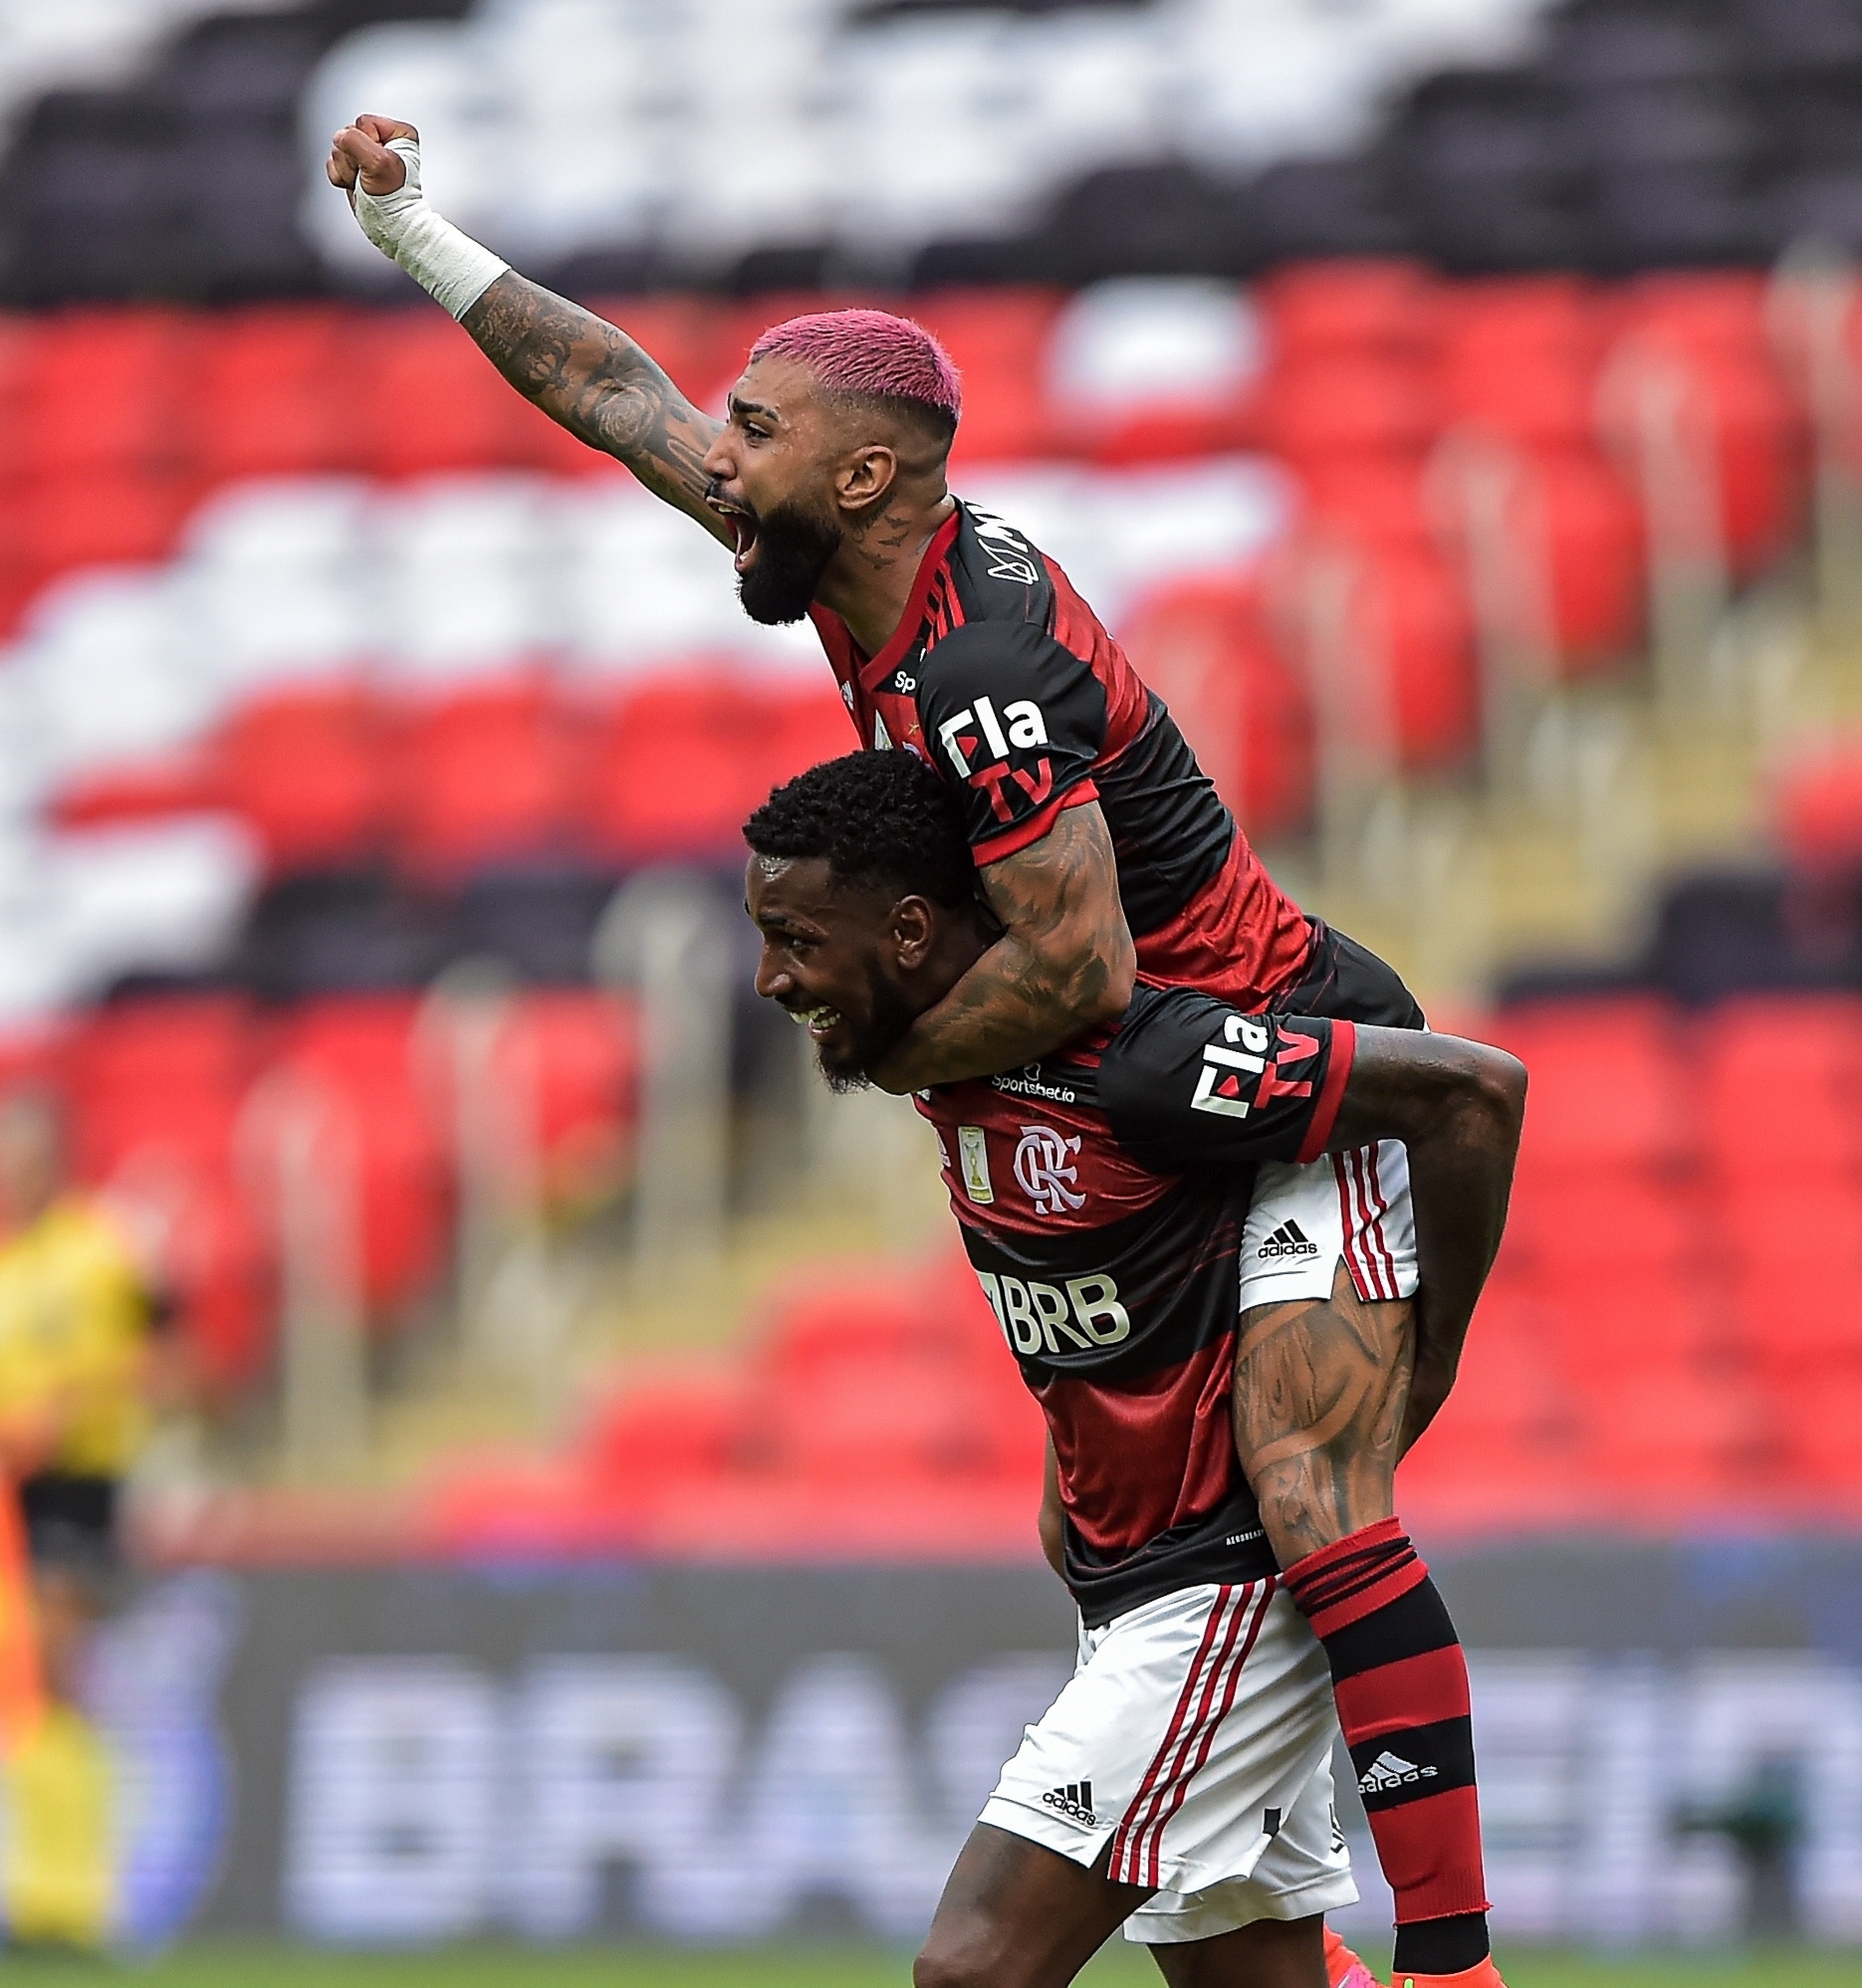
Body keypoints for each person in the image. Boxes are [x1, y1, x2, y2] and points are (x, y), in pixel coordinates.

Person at [327, 117, 1500, 1980]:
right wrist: (413, 234)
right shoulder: (861, 563)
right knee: (1111, 1548)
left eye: (758, 430)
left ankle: (1459, 1964)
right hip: (1166, 1083)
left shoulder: (982, 665)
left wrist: (887, 1058)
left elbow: (1077, 965)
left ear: (865, 472)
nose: (720, 454)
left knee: (1301, 1504)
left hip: (1283, 1059)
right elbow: (612, 389)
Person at [742, 753, 1525, 1988]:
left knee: (972, 1969)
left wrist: (1426, 1360)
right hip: (1122, 1594)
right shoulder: (935, 1064)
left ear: (906, 930)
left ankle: (1457, 1971)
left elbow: (1473, 1092)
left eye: (792, 938)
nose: (770, 977)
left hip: (1221, 1598)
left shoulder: (1142, 1063)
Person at [0, 1086, 165, 1946]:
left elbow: (109, 1370)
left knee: (58, 1671)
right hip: (13, 1494)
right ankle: (42, 1891)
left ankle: (83, 1897)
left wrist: (36, 1423)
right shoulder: (13, 1261)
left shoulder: (93, 1252)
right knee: (25, 1690)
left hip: (71, 1484)